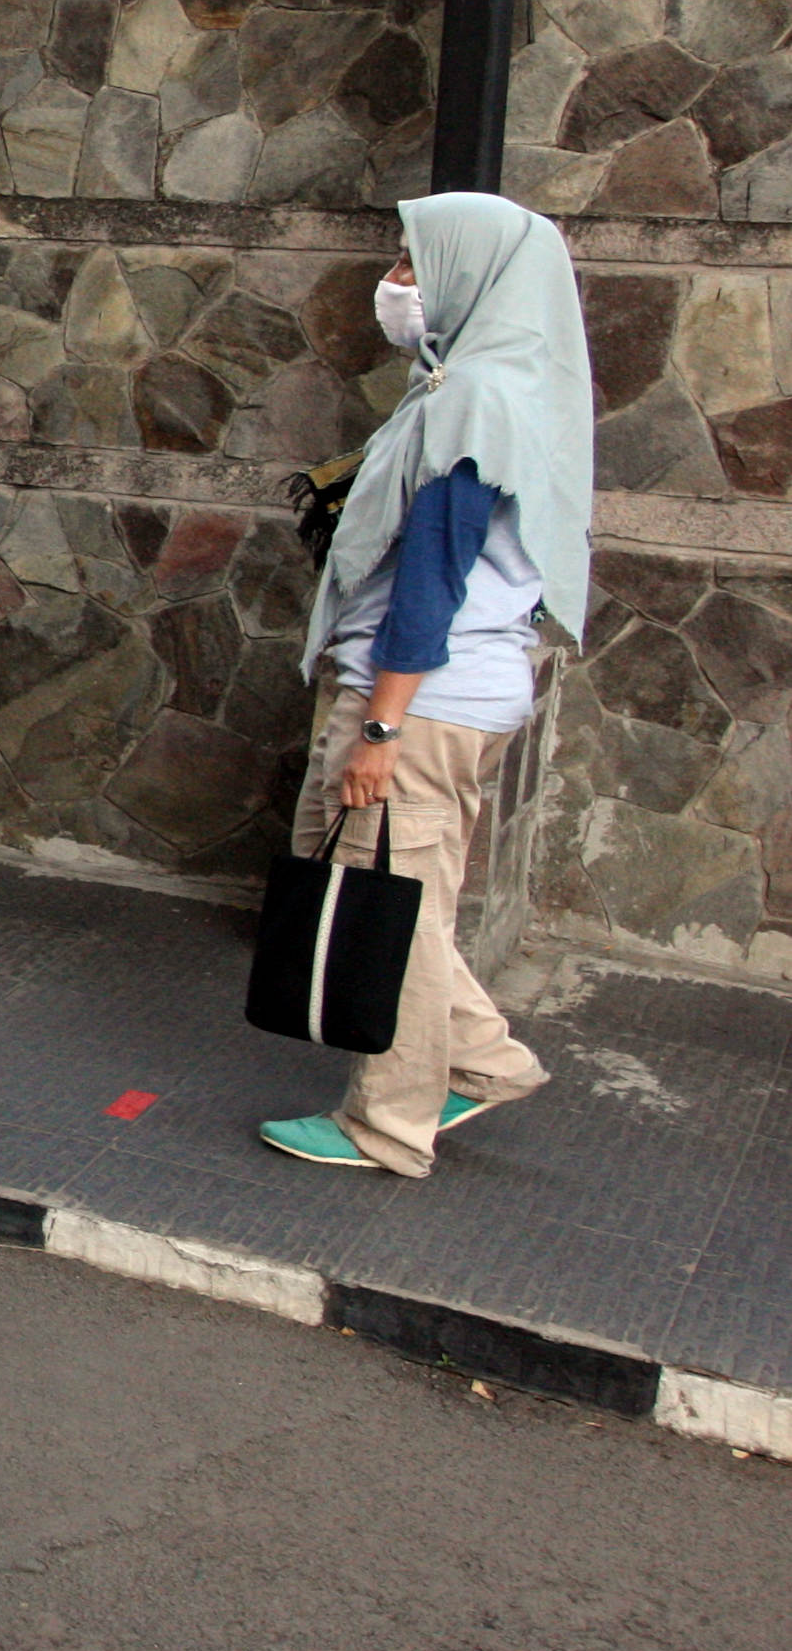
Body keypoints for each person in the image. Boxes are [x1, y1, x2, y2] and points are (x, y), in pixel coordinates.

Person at [259, 192, 589, 1177]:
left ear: (470, 275)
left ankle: (387, 1123)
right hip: (461, 696)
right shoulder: (503, 383)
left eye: (412, 263)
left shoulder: (469, 402)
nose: (394, 283)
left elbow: (428, 581)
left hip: (416, 700)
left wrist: (378, 730)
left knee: (381, 911)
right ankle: (484, 1064)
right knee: (410, 902)